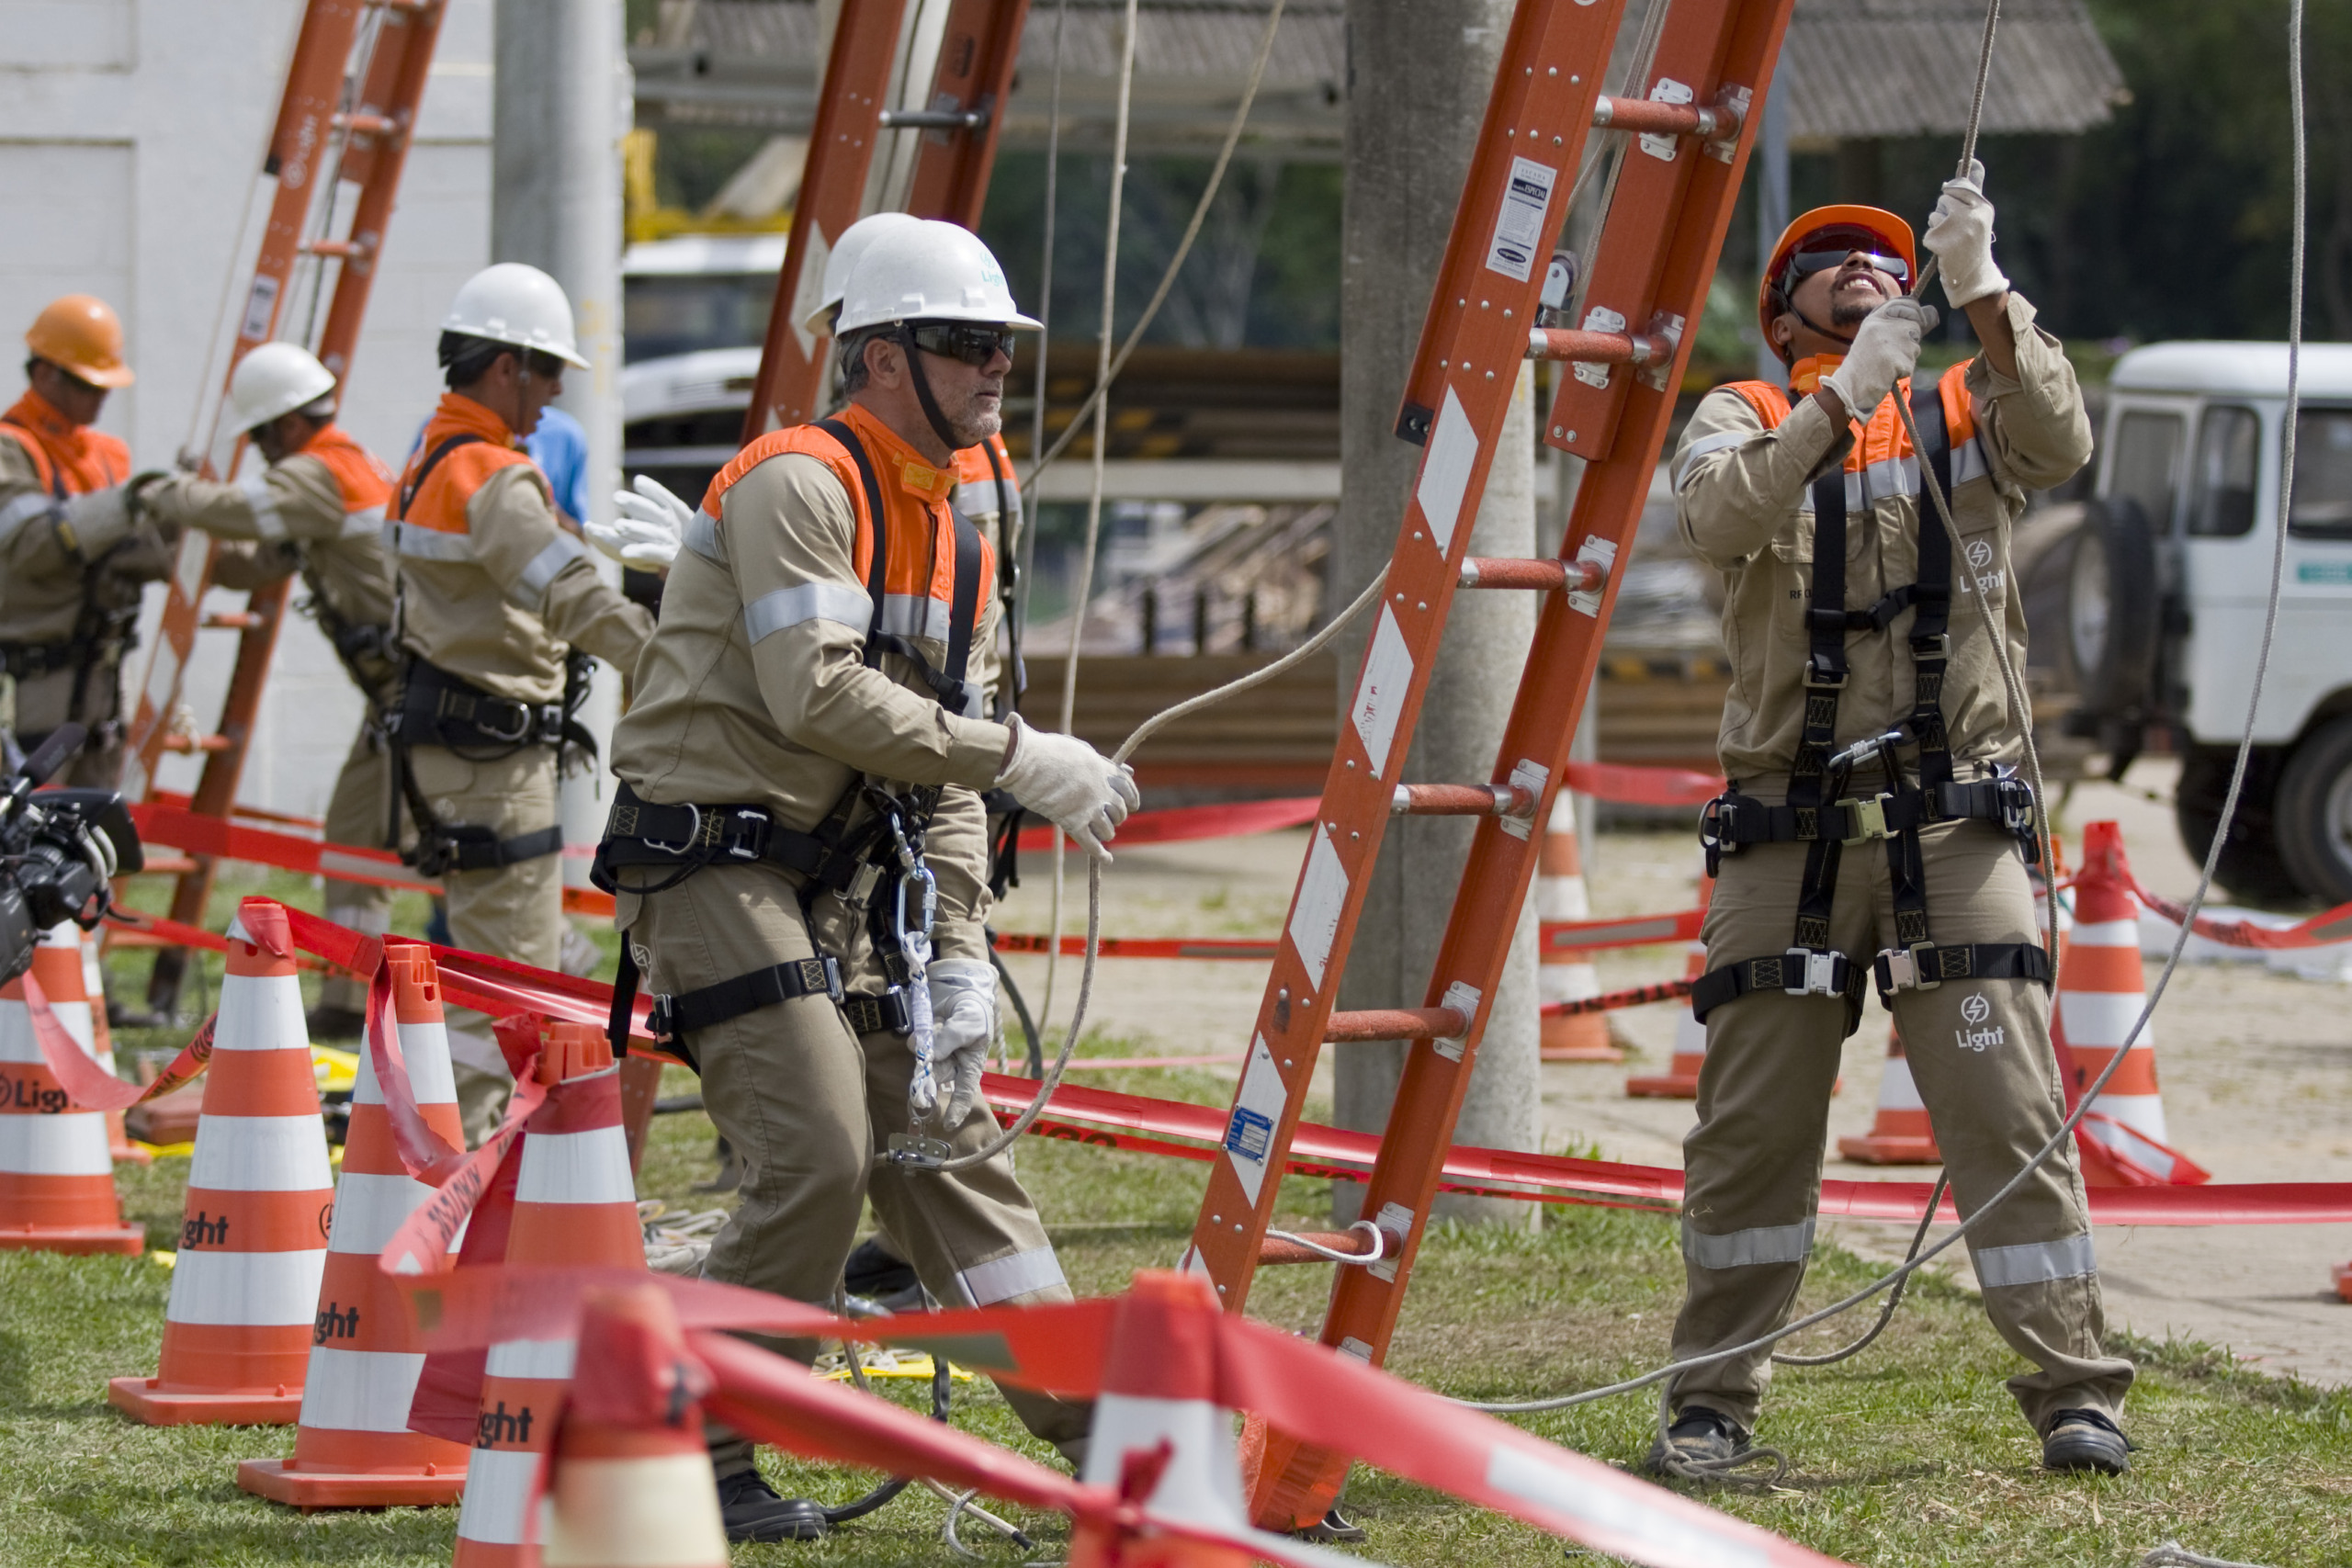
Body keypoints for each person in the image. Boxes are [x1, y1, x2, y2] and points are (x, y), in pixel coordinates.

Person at [594, 220, 1134, 1541]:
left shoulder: (959, 515)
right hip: (714, 859)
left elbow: (945, 754)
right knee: (823, 1151)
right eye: (968, 344)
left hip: (843, 874)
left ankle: (1113, 1443)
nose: (997, 369)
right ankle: (694, 1448)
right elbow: (821, 694)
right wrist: (1018, 755)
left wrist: (953, 945)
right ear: (880, 356)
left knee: (943, 1146)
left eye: (1004, 346)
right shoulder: (802, 482)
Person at [1658, 172, 2133, 1476]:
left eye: (1883, 260)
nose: (1864, 270)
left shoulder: (1965, 407)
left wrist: (1985, 288)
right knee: (1751, 1129)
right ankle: (1711, 1400)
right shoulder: (1747, 412)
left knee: (2005, 1104)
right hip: (1785, 833)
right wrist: (1835, 400)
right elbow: (1716, 514)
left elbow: (2061, 441)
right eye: (1831, 264)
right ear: (1786, 308)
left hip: (1953, 819)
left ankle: (2078, 1386)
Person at [386, 263, 654, 1138]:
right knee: (504, 989)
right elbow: (570, 595)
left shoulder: (431, 456)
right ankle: (459, 1189)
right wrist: (670, 662)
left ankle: (464, 1174)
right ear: (507, 366)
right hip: (492, 761)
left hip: (453, 751)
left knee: (510, 961)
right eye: (548, 377)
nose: (550, 401)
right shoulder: (497, 477)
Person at [141, 344, 403, 1037]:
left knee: (459, 846)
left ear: (286, 425)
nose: (260, 453)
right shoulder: (335, 471)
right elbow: (256, 562)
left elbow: (235, 511)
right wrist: (182, 551)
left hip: (416, 693)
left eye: (259, 437)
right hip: (398, 697)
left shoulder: (320, 472)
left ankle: (550, 964)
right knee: (356, 833)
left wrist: (161, 492)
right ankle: (353, 999)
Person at [0, 296, 174, 787]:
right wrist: (131, 505)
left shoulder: (107, 454)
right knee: (27, 838)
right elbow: (35, 547)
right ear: (44, 373)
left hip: (104, 675)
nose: (100, 399)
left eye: (105, 387)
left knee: (95, 835)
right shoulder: (10, 450)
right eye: (87, 385)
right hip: (38, 678)